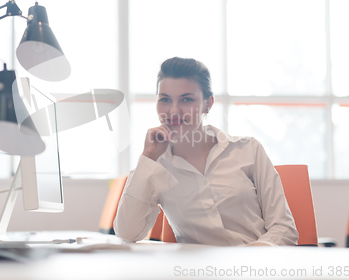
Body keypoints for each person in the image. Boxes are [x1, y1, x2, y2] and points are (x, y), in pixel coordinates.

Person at [114, 57, 298, 246]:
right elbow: (127, 233)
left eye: (186, 99)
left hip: (255, 268)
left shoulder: (248, 150)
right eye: (165, 100)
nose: (174, 111)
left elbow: (284, 228)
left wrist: (246, 260)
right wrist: (148, 158)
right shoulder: (156, 166)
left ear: (207, 104)